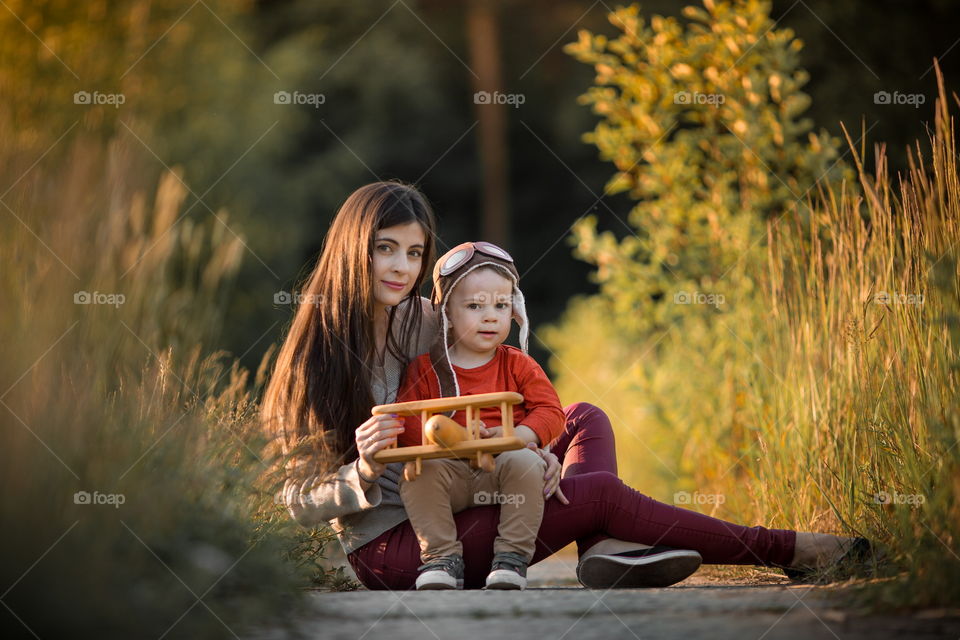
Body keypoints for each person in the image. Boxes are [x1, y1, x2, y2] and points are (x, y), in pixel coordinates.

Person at [262, 180, 867, 591]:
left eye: (415, 253)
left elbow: (504, 384)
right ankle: (791, 549)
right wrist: (362, 473)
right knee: (597, 491)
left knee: (583, 416)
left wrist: (529, 447)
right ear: (351, 249)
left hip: (473, 489)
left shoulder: (430, 320)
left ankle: (600, 547)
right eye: (384, 249)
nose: (401, 267)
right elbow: (289, 502)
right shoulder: (314, 354)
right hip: (404, 548)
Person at [394, 241, 565, 590]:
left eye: (501, 305)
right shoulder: (425, 369)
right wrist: (443, 440)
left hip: (502, 468)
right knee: (417, 474)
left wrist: (519, 436)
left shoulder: (517, 363)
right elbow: (407, 427)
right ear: (447, 315)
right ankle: (441, 558)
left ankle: (511, 558)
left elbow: (550, 412)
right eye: (474, 306)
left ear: (514, 310)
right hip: (449, 470)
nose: (491, 316)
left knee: (525, 463)